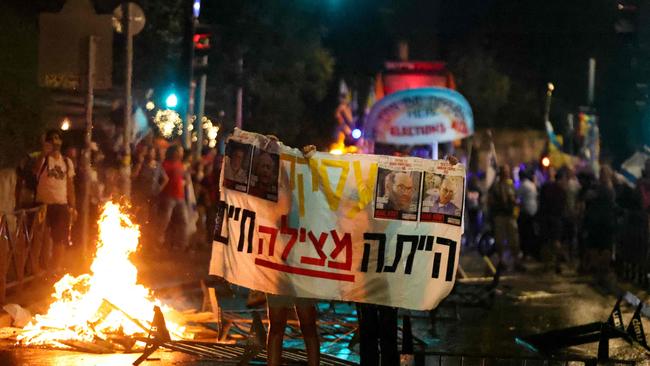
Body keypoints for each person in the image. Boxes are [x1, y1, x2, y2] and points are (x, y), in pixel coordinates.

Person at [265, 144, 320, 366]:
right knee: (276, 325)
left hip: (301, 265)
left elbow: (324, 190)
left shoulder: (306, 191)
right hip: (277, 265)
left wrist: (314, 160)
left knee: (308, 324)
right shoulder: (267, 193)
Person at [34, 129, 76, 273]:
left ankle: (55, 268)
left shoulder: (66, 162)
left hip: (61, 204)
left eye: (57, 139)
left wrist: (73, 206)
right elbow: (35, 171)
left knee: (60, 239)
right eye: (51, 139)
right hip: (43, 204)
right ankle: (37, 268)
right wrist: (43, 153)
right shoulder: (43, 159)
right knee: (40, 238)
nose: (55, 142)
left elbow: (70, 185)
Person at [488, 164, 523, 272]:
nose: (506, 173)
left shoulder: (511, 185)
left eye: (507, 171)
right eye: (505, 171)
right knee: (499, 241)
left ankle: (516, 261)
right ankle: (501, 261)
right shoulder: (496, 186)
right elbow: (491, 201)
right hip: (500, 216)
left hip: (510, 216)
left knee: (514, 240)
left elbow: (515, 198)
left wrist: (515, 203)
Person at [157, 145, 189, 251]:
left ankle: (180, 244)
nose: (181, 154)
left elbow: (182, 179)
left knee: (183, 221)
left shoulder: (180, 165)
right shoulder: (165, 165)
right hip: (168, 197)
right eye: (180, 151)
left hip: (180, 197)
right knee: (165, 221)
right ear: (174, 153)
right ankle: (158, 242)